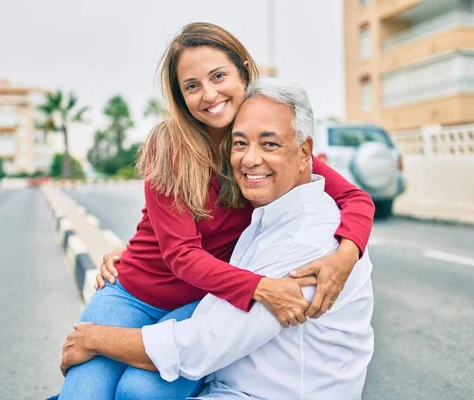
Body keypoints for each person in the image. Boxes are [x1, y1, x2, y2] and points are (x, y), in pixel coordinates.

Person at [58, 22, 375, 399]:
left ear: (243, 72)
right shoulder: (170, 145)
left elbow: (356, 199)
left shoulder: (266, 146)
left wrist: (345, 254)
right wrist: (259, 286)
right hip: (133, 293)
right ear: (180, 96)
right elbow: (180, 253)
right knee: (83, 393)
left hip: (202, 301)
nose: (209, 95)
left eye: (218, 76)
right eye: (192, 86)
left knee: (142, 392)